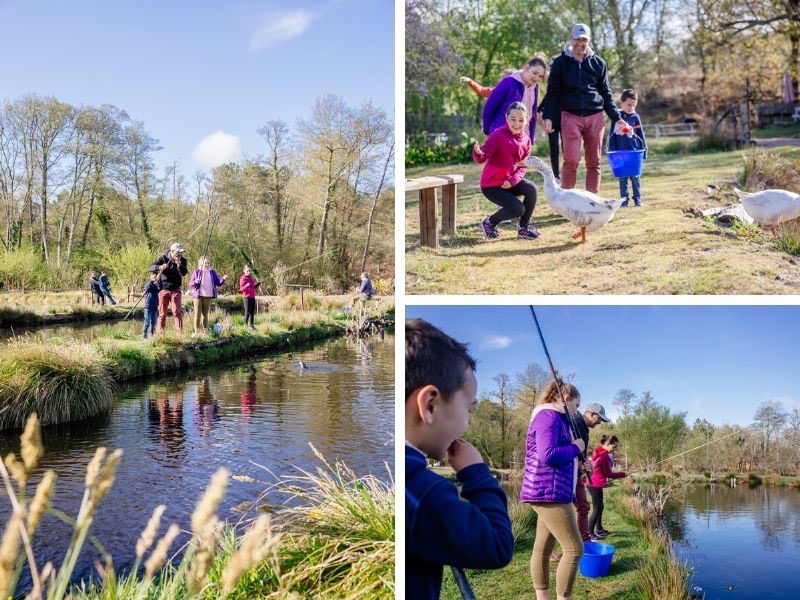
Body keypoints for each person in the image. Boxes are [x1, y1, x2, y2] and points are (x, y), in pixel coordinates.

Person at [406, 319, 513, 599]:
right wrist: (477, 473)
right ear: (430, 405)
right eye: (469, 409)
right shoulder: (424, 493)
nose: (466, 424)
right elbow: (498, 545)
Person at [542, 23, 626, 194]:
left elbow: (606, 93)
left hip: (595, 116)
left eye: (584, 40)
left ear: (589, 41)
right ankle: (566, 199)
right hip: (570, 116)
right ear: (570, 39)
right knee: (571, 159)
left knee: (594, 161)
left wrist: (617, 117)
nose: (580, 43)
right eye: (577, 39)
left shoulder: (598, 63)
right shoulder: (560, 63)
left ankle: (591, 199)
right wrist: (548, 116)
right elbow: (552, 93)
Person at [520, 379, 585, 600]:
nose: (576, 412)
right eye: (576, 406)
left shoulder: (554, 417)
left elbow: (557, 453)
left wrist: (577, 458)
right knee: (575, 549)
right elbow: (547, 455)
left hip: (549, 490)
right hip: (549, 492)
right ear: (566, 399)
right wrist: (576, 447)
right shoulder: (548, 416)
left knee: (543, 549)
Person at [474, 102, 539, 240]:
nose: (517, 124)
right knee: (518, 209)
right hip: (491, 185)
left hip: (509, 182)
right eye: (513, 119)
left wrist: (512, 180)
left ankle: (524, 227)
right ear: (506, 118)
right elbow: (482, 157)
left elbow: (523, 166)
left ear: (527, 121)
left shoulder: (526, 141)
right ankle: (489, 223)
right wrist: (477, 153)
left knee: (531, 189)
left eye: (521, 120)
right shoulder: (498, 135)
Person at [570, 402, 610, 544]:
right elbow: (571, 446)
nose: (599, 423)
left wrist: (584, 462)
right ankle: (582, 540)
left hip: (577, 472)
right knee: (572, 509)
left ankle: (584, 539)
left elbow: (580, 450)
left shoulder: (582, 427)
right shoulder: (575, 422)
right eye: (599, 419)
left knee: (583, 507)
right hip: (570, 473)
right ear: (592, 414)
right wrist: (580, 463)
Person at [482, 56, 547, 142]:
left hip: (522, 139)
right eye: (535, 73)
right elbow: (489, 107)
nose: (536, 78)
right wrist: (486, 131)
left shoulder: (534, 87)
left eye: (540, 76)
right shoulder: (508, 82)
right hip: (501, 135)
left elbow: (533, 114)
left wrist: (531, 138)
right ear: (526, 67)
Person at [608, 89, 648, 207]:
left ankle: (637, 199)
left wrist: (644, 150)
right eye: (629, 105)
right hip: (620, 153)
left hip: (634, 152)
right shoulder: (617, 117)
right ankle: (624, 200)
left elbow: (640, 134)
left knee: (635, 177)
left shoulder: (636, 117)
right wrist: (612, 153)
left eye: (634, 105)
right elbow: (612, 135)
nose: (631, 108)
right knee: (623, 178)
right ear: (622, 103)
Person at [588, 434, 627, 540]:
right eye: (614, 447)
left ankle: (599, 528)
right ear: (608, 444)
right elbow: (608, 474)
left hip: (592, 482)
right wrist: (622, 474)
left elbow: (601, 471)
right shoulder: (604, 456)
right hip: (594, 484)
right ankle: (589, 533)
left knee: (600, 506)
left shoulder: (598, 451)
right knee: (596, 508)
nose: (614, 449)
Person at [148, 242, 189, 335]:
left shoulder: (182, 260)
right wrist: (160, 267)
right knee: (162, 313)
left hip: (176, 289)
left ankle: (179, 334)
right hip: (164, 289)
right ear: (172, 251)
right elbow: (150, 267)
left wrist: (179, 265)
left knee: (177, 311)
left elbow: (184, 273)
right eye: (178, 253)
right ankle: (161, 334)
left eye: (181, 253)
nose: (179, 255)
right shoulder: (163, 258)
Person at [189, 256, 227, 335]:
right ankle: (196, 332)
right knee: (197, 314)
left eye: (208, 263)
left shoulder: (212, 272)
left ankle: (205, 331)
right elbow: (190, 284)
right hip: (198, 296)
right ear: (201, 263)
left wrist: (223, 279)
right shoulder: (197, 272)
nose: (207, 264)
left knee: (205, 314)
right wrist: (196, 281)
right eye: (205, 263)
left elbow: (218, 283)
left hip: (208, 295)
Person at [239, 265, 260, 330]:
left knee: (252, 312)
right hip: (246, 297)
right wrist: (246, 285)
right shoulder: (243, 278)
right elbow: (241, 289)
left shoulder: (251, 278)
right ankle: (245, 326)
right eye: (247, 271)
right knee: (247, 311)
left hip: (252, 296)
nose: (249, 272)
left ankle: (252, 325)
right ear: (244, 271)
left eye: (250, 271)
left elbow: (253, 287)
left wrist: (258, 283)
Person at [142, 273, 161, 340]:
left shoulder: (157, 287)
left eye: (156, 278)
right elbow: (148, 288)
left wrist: (159, 280)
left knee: (154, 323)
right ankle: (144, 336)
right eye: (154, 278)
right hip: (148, 307)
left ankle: (153, 336)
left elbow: (161, 288)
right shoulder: (148, 284)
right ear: (151, 279)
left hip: (155, 307)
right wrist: (152, 281)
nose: (155, 279)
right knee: (147, 322)